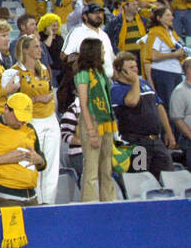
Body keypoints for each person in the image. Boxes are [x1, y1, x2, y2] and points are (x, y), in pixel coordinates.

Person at [11, 33, 60, 204]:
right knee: (34, 163)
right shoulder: (15, 72)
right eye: (36, 47)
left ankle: (49, 203)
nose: (40, 50)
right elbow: (15, 101)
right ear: (25, 50)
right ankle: (36, 202)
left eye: (40, 46)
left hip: (50, 118)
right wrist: (38, 99)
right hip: (31, 121)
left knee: (52, 165)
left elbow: (50, 93)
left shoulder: (44, 69)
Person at [111, 51, 177, 176]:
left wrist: (168, 132)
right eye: (131, 68)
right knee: (141, 177)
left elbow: (159, 107)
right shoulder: (116, 89)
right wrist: (135, 81)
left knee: (168, 175)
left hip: (156, 141)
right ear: (120, 70)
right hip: (136, 144)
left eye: (136, 67)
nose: (135, 70)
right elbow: (132, 102)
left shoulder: (145, 84)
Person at [73, 37, 117, 203]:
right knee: (91, 168)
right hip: (91, 120)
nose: (104, 52)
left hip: (106, 122)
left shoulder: (101, 73)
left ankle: (109, 201)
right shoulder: (83, 74)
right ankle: (89, 204)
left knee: (106, 168)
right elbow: (83, 104)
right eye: (102, 49)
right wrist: (91, 131)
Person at [143, 4, 187, 108]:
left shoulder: (171, 32)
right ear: (159, 18)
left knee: (178, 105)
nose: (171, 17)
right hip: (163, 73)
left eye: (171, 15)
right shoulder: (156, 32)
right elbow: (153, 55)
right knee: (170, 106)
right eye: (167, 15)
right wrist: (175, 54)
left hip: (176, 72)